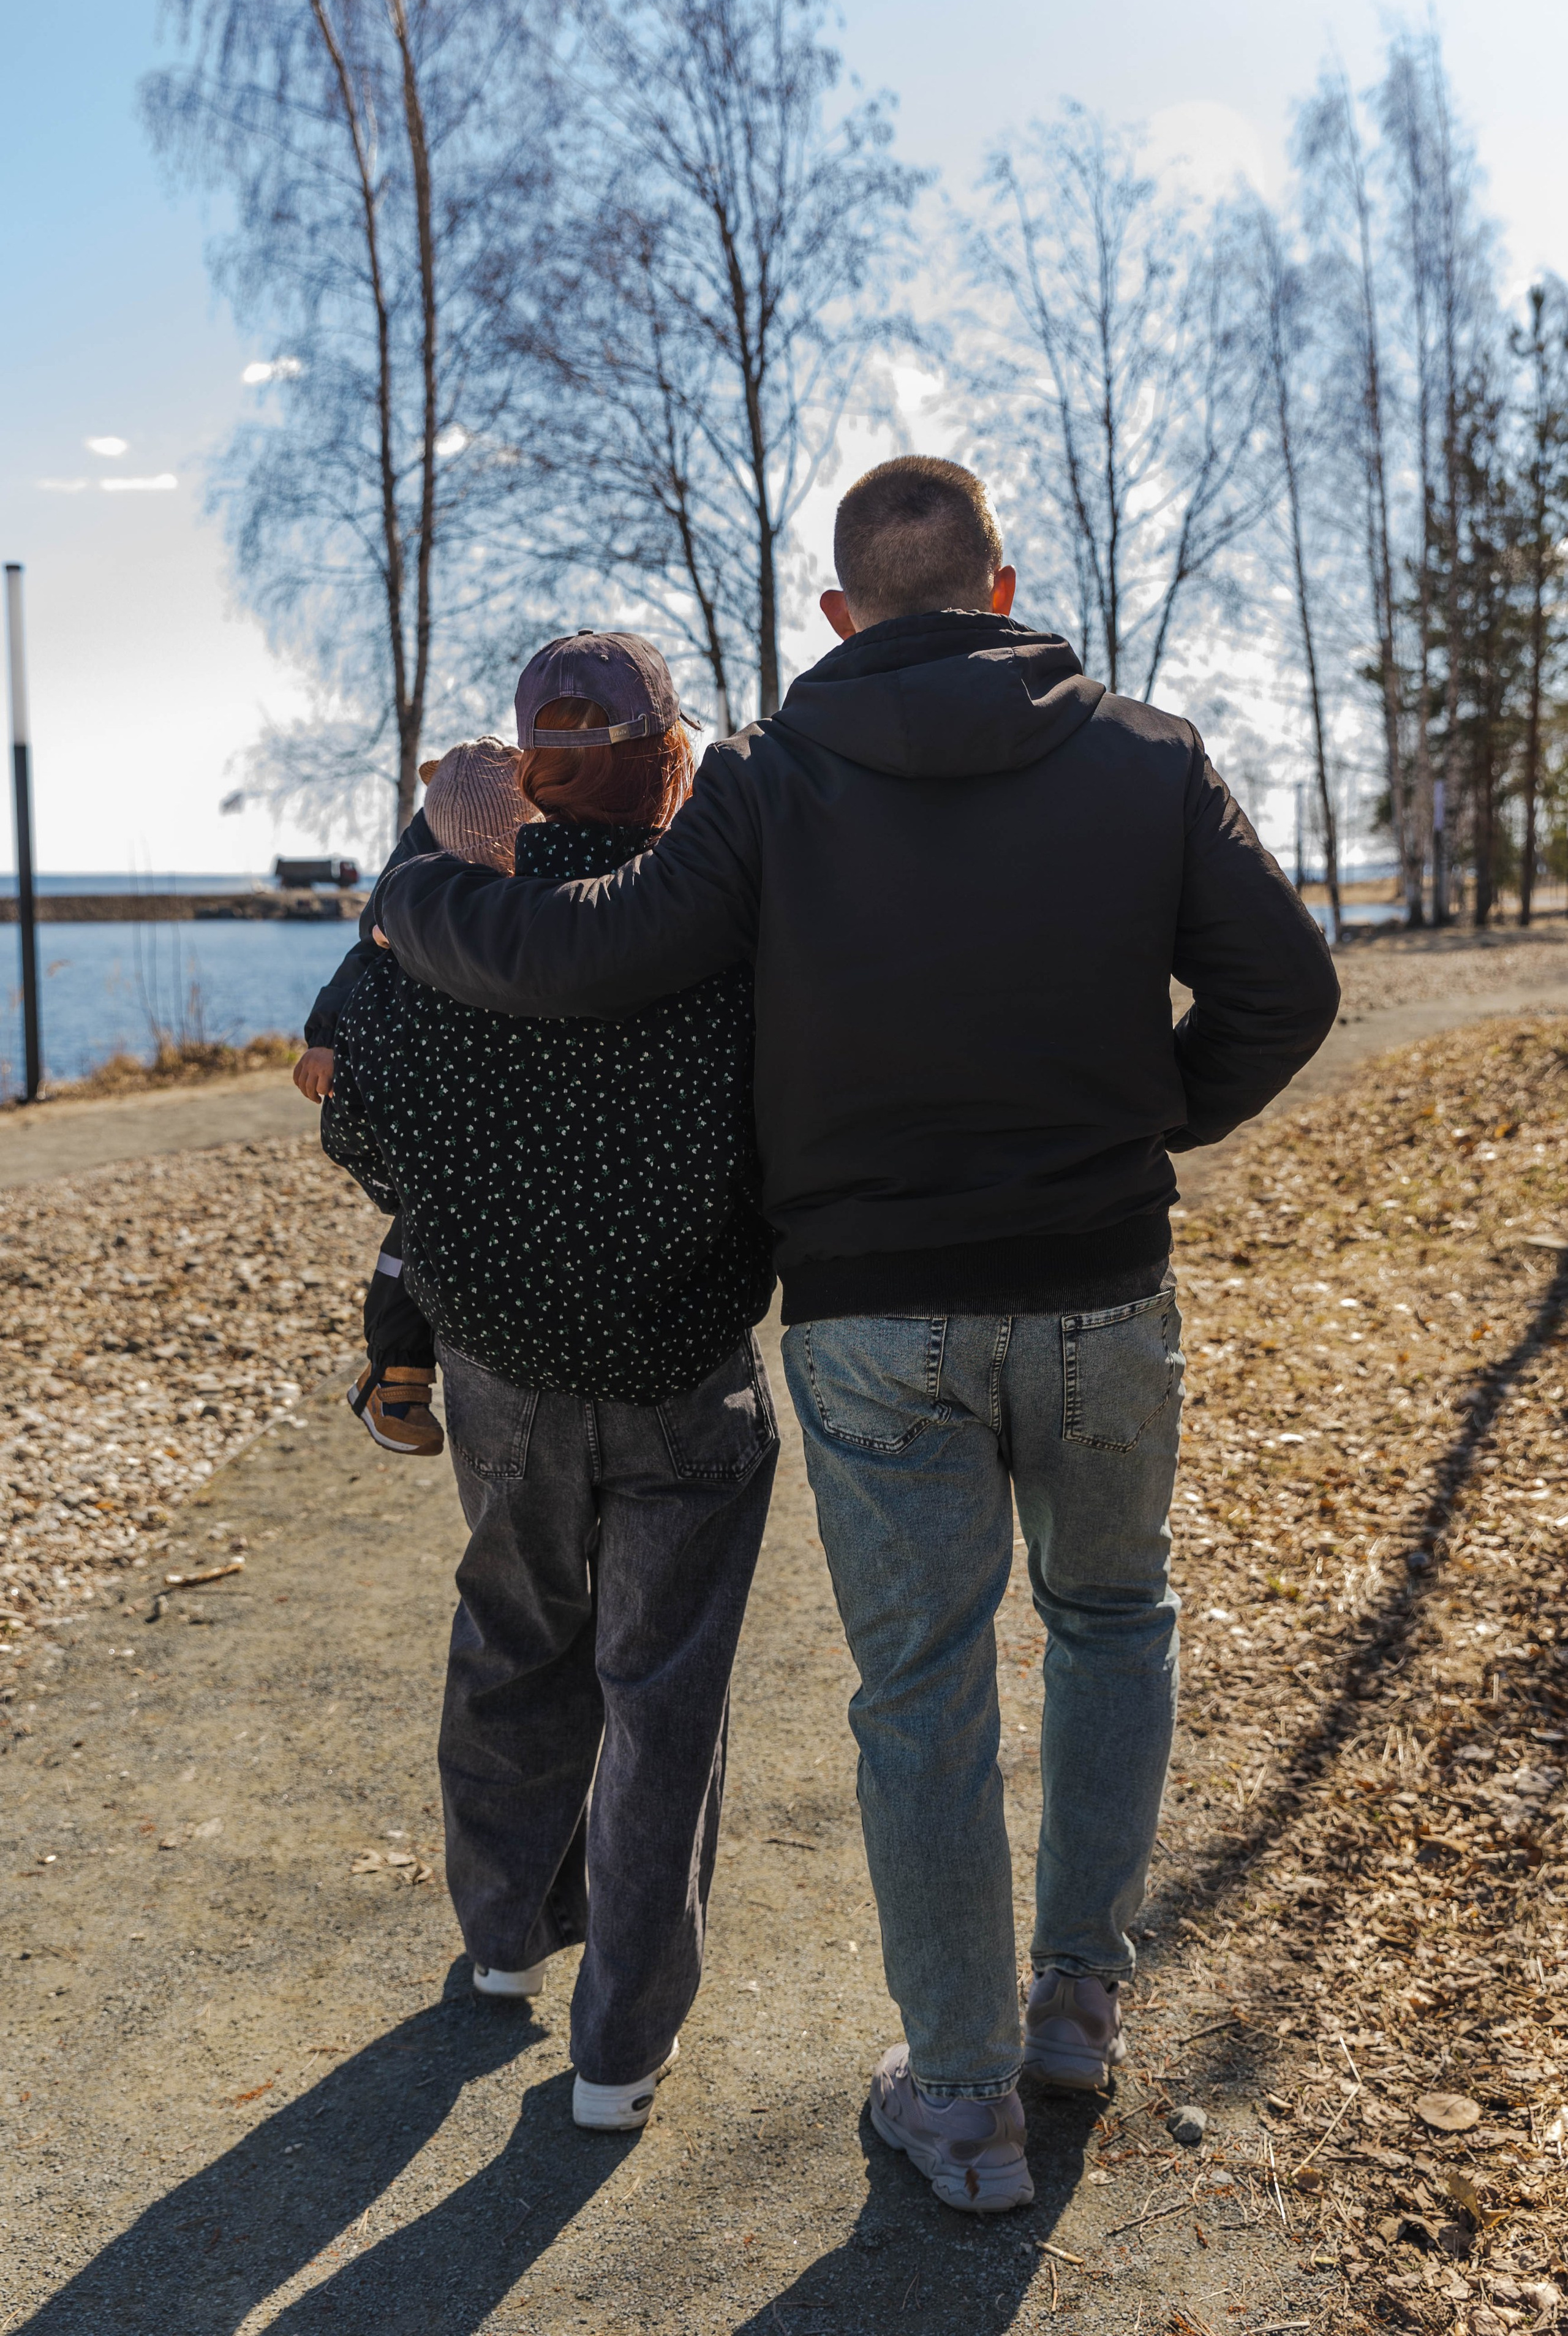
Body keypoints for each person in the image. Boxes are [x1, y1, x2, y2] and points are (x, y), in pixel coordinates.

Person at [371, 459, 1341, 2212]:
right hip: (1104, 1286)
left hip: (874, 1312)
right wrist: (1150, 1121)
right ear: (1001, 583)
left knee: (921, 1689)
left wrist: (425, 881)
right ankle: (1078, 2004)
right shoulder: (1147, 753)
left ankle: (960, 2102)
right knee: (1114, 1619)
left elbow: (593, 955)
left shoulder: (768, 777)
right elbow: (1294, 984)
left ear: (839, 613)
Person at [323, 633, 777, 2132]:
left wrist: (452, 1229)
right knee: (664, 1699)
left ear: (518, 756)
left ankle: (504, 1946)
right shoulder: (718, 908)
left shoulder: (442, 907)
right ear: (664, 752)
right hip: (681, 1365)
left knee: (513, 1634)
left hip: (500, 1360)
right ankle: (619, 2053)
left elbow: (348, 1106)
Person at [295, 736, 537, 1457]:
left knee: (444, 1208)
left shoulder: (540, 866)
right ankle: (394, 1371)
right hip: (424, 1084)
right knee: (428, 1210)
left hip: (482, 1081)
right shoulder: (409, 880)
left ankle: (396, 1372)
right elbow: (361, 961)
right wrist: (324, 1036)